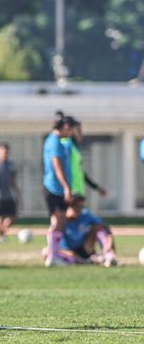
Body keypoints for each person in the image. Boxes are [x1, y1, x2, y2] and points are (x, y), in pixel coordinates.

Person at [42, 110, 77, 267]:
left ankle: (54, 254)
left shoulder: (59, 141)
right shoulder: (54, 141)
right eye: (72, 129)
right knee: (57, 222)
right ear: (66, 126)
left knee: (60, 221)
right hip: (54, 188)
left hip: (57, 188)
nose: (72, 132)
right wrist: (66, 188)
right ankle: (52, 256)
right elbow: (57, 166)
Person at [42, 194, 118, 267]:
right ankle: (86, 260)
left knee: (99, 228)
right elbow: (53, 235)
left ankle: (109, 256)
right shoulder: (61, 219)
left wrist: (110, 245)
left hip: (84, 249)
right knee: (46, 252)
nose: (79, 209)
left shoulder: (85, 215)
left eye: (81, 207)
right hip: (66, 251)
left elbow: (105, 226)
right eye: (75, 206)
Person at [62, 121, 107, 198]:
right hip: (70, 191)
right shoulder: (66, 143)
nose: (81, 133)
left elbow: (80, 173)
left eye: (80, 131)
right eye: (78, 131)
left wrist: (96, 187)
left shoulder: (75, 148)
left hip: (78, 191)